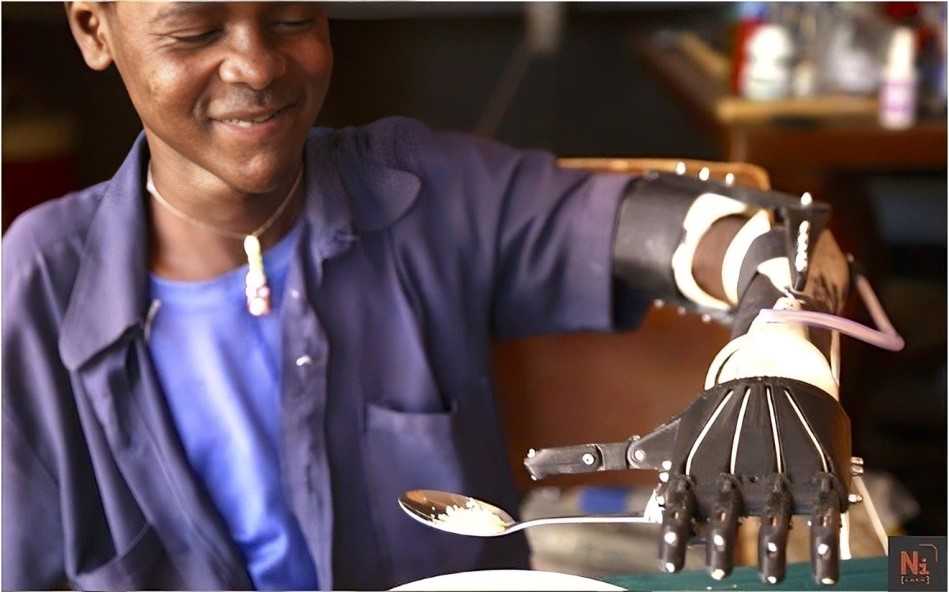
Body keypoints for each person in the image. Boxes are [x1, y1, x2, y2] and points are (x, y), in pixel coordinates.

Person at [3, 2, 869, 590]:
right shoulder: (41, 285)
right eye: (194, 31)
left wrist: (778, 345)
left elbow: (766, 238)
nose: (257, 64)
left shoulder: (428, 193)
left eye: (294, 16)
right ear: (94, 27)